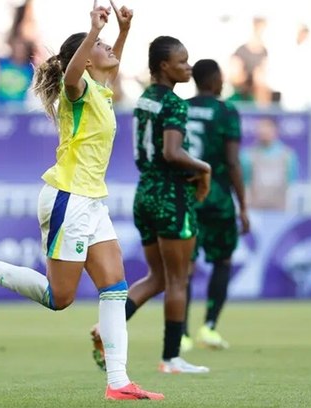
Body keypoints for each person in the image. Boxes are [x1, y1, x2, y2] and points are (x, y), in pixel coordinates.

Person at [0, 1, 163, 401]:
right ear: (86, 60)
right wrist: (92, 31)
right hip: (67, 199)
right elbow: (75, 72)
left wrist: (123, 32)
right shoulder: (76, 89)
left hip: (92, 202)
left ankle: (118, 382)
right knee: (61, 299)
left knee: (115, 288)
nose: (109, 49)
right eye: (102, 47)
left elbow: (102, 65)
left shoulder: (101, 90)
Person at [92, 35, 212, 374]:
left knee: (157, 277)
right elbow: (172, 153)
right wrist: (204, 168)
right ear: (164, 67)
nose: (189, 67)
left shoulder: (145, 99)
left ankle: (106, 329)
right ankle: (172, 358)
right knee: (177, 279)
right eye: (182, 62)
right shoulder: (175, 104)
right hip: (171, 195)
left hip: (144, 193)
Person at [181, 59, 250, 352]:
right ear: (212, 80)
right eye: (220, 78)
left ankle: (180, 333)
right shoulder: (226, 111)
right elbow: (232, 161)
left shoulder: (180, 108)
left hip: (187, 197)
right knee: (222, 261)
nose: (223, 83)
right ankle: (208, 327)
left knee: (183, 265)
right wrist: (243, 205)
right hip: (218, 196)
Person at [241, 116, 299, 210]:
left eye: (267, 128)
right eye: (261, 128)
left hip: (280, 209)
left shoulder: (288, 155)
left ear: (275, 130)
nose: (264, 132)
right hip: (255, 210)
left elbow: (291, 184)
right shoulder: (247, 155)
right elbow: (245, 183)